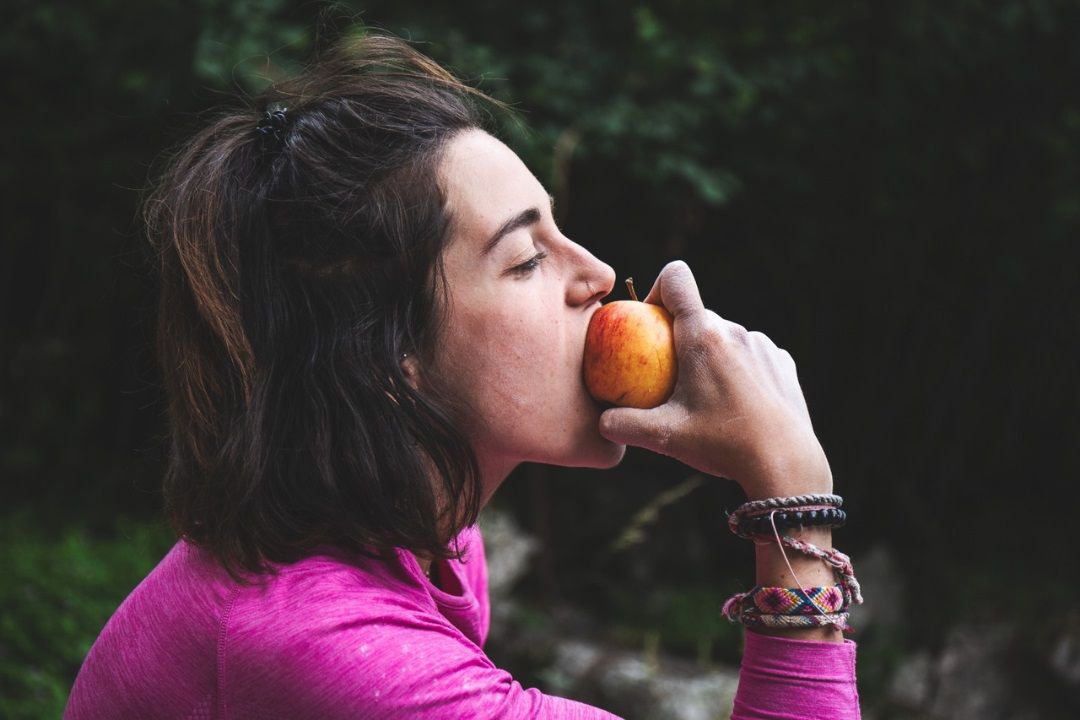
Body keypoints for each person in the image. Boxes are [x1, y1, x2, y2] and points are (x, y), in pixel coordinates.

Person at [64, 32, 860, 719]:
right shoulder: (324, 647)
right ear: (384, 356)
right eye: (525, 259)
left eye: (560, 228)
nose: (598, 273)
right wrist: (790, 491)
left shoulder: (433, 538)